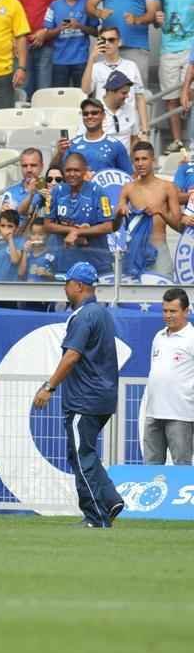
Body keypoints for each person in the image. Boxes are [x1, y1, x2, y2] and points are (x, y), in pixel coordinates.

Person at [32, 261, 124, 527]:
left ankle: (96, 517)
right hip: (102, 398)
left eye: (67, 282)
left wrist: (49, 387)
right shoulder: (102, 313)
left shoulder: (82, 316)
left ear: (78, 286)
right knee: (83, 453)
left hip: (85, 399)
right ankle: (109, 499)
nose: (65, 288)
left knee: (82, 456)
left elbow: (72, 355)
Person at [142, 288, 194, 465]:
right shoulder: (158, 337)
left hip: (181, 414)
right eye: (165, 311)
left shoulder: (192, 338)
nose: (168, 315)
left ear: (186, 311)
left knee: (182, 467)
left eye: (173, 311)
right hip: (153, 413)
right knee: (150, 467)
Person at [113, 141, 180, 278]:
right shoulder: (128, 188)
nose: (140, 163)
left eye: (144, 159)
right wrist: (120, 212)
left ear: (153, 160)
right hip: (134, 251)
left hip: (159, 248)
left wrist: (161, 212)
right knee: (132, 296)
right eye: (136, 160)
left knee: (164, 294)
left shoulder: (168, 187)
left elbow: (179, 226)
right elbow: (114, 226)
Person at [7, 0, 64, 99]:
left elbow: (62, 11)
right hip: (22, 45)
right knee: (22, 92)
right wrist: (14, 39)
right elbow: (8, 14)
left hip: (47, 44)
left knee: (44, 94)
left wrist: (45, 31)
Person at [44, 152, 114, 275]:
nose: (72, 174)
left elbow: (108, 226)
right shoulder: (56, 192)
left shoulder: (98, 192)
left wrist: (77, 232)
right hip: (65, 263)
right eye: (68, 170)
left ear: (85, 171)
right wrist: (71, 230)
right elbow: (48, 225)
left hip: (96, 262)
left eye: (76, 170)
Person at [158, 0, 194, 152]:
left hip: (191, 48)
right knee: (170, 98)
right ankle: (178, 141)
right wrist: (157, 18)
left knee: (189, 92)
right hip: (168, 48)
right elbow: (156, 16)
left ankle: (191, 139)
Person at [82, 26, 147, 132]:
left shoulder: (131, 66)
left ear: (119, 42)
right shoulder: (95, 67)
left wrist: (145, 129)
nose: (107, 43)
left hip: (129, 123)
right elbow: (86, 90)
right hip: (104, 125)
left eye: (111, 40)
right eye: (103, 40)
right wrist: (91, 58)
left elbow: (140, 97)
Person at [44, 0, 97, 89]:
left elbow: (96, 32)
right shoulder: (54, 6)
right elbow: (46, 33)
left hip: (81, 60)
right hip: (59, 61)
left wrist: (79, 26)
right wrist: (59, 29)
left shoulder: (87, 4)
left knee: (83, 96)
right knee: (60, 99)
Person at [57, 98, 132, 174]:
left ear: (103, 115)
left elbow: (128, 176)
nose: (89, 116)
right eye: (85, 114)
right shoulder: (72, 145)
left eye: (94, 113)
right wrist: (59, 154)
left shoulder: (116, 145)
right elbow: (58, 173)